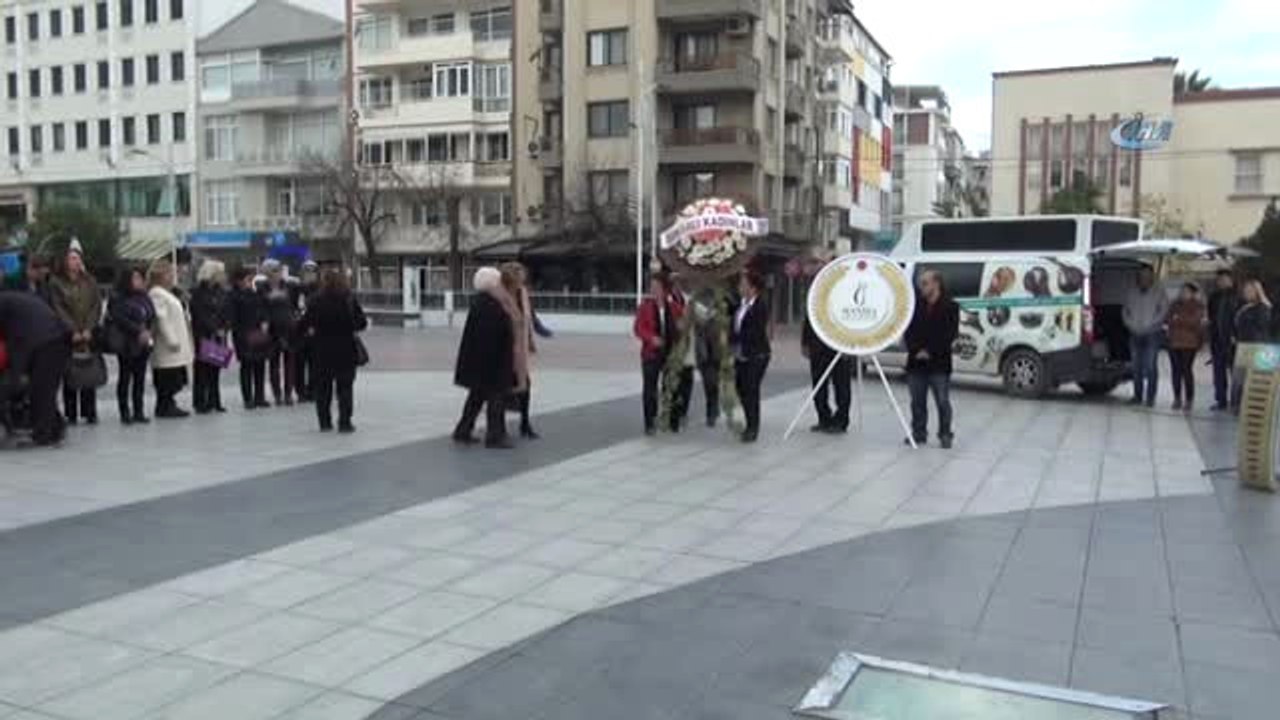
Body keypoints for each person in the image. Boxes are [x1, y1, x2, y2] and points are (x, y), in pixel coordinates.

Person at [453, 267, 522, 449]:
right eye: (498, 281)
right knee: (496, 397)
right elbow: (494, 333)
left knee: (476, 396)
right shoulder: (491, 304)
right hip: (492, 361)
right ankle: (495, 435)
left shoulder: (481, 302)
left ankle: (463, 430)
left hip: (480, 361)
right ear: (491, 284)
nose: (500, 285)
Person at [300, 269, 368, 433]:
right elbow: (362, 323)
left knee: (323, 389)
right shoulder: (349, 299)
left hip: (321, 350)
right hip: (346, 350)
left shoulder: (315, 300)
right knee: (345, 388)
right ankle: (344, 422)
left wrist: (298, 336)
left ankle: (324, 422)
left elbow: (304, 323)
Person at [0, 290, 71, 446]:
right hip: (55, 337)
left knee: (42, 390)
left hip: (47, 341)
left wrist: (15, 373)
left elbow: (16, 341)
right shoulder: (10, 299)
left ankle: (43, 435)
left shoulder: (5, 304)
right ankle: (55, 428)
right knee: (44, 388)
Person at [904, 269, 960, 448]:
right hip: (916, 361)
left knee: (942, 401)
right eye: (921, 283)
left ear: (936, 283)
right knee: (917, 401)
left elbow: (949, 334)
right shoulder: (915, 305)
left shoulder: (950, 306)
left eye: (925, 283)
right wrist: (916, 349)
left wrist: (930, 351)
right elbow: (908, 331)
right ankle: (919, 432)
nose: (922, 287)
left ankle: (945, 433)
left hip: (939, 362)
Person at [49, 243, 103, 425]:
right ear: (64, 262)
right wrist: (72, 330)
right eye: (72, 258)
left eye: (78, 258)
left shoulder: (90, 281)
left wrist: (89, 328)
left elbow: (96, 305)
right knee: (70, 373)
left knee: (88, 371)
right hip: (68, 335)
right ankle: (71, 412)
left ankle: (90, 411)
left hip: (88, 333)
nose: (76, 261)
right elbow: (58, 308)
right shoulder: (56, 283)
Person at [633, 272, 686, 435]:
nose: (653, 290)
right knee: (650, 389)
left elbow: (683, 324)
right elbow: (638, 328)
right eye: (652, 287)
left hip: (670, 353)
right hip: (651, 354)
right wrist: (651, 338)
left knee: (671, 387)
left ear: (665, 290)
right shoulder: (645, 306)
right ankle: (650, 422)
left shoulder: (674, 307)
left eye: (657, 287)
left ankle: (672, 420)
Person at [106, 268, 156, 425]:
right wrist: (138, 331)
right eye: (135, 278)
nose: (139, 281)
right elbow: (119, 317)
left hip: (143, 343)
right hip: (126, 342)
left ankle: (139, 410)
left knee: (140, 378)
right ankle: (124, 411)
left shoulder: (144, 297)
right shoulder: (117, 298)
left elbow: (152, 315)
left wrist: (148, 332)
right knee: (125, 377)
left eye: (140, 278)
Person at [500, 262, 542, 439]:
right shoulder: (500, 295)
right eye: (520, 274)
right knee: (502, 387)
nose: (523, 278)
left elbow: (527, 317)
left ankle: (525, 423)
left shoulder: (522, 293)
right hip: (504, 349)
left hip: (520, 348)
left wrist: (531, 338)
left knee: (525, 385)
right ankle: (498, 425)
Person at [148, 261, 194, 419]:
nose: (173, 277)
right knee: (167, 378)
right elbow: (162, 318)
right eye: (170, 274)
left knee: (175, 377)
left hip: (176, 345)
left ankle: (169, 403)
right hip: (167, 346)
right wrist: (171, 339)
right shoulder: (156, 293)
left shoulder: (168, 293)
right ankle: (165, 405)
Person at [732, 270, 770, 443]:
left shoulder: (760, 306)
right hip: (740, 354)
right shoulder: (740, 305)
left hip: (757, 354)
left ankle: (752, 428)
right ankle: (749, 420)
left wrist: (738, 342)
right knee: (741, 388)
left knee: (751, 390)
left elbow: (754, 332)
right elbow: (734, 327)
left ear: (753, 288)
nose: (740, 287)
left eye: (743, 284)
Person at [1122, 266, 1169, 408]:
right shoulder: (1132, 292)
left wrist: (1150, 325)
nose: (1144, 278)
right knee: (1136, 367)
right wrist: (1130, 325)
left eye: (1147, 275)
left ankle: (1150, 398)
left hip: (1152, 334)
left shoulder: (1159, 292)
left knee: (1150, 367)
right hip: (1134, 333)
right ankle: (1137, 396)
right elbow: (1125, 311)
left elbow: (1163, 311)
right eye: (1142, 275)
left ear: (1152, 276)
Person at [190, 260, 230, 414]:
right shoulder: (198, 292)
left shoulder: (221, 291)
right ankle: (201, 401)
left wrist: (225, 326)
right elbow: (199, 314)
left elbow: (226, 311)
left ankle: (215, 400)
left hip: (219, 335)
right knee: (202, 370)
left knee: (215, 368)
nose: (223, 276)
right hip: (204, 334)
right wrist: (213, 328)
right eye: (220, 273)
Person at [802, 316, 852, 434]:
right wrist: (805, 343)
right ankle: (824, 418)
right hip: (818, 347)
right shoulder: (816, 297)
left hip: (840, 346)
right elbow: (809, 318)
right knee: (818, 385)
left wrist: (849, 345)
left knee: (841, 385)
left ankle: (841, 421)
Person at [229, 266, 271, 410]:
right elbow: (233, 316)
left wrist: (264, 320)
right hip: (243, 333)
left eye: (251, 279)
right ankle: (248, 398)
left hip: (257, 331)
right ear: (239, 280)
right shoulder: (234, 295)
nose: (250, 281)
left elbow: (263, 308)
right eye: (247, 279)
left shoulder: (255, 293)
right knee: (247, 365)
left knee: (259, 364)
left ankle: (260, 396)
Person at [260, 260, 300, 406]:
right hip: (272, 330)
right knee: (274, 363)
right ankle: (277, 394)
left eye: (278, 270)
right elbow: (261, 306)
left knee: (289, 363)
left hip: (289, 329)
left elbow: (295, 305)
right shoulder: (262, 288)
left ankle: (289, 393)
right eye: (273, 271)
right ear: (267, 273)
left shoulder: (289, 286)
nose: (276, 274)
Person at [1231, 279, 1273, 411]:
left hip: (1257, 348)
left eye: (1250, 290)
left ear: (1257, 291)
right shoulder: (1244, 308)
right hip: (1243, 346)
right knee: (1239, 380)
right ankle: (1238, 405)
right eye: (1245, 290)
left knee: (1254, 381)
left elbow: (1263, 329)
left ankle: (1251, 407)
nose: (1246, 293)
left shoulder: (1263, 308)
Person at [1166, 283, 1206, 412]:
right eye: (1182, 291)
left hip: (1189, 343)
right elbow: (1168, 319)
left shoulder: (1198, 305)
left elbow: (1195, 322)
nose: (1183, 293)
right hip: (1174, 341)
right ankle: (1177, 398)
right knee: (1175, 371)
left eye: (1186, 291)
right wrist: (1178, 320)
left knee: (1186, 371)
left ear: (1193, 293)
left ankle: (1189, 399)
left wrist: (1178, 319)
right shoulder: (1174, 304)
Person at [691, 289, 725, 428]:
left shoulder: (720, 315)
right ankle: (711, 410)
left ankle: (713, 408)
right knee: (708, 382)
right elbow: (696, 332)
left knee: (713, 382)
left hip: (716, 353)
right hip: (704, 353)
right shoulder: (698, 314)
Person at [1207, 271, 1238, 411]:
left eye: (1224, 279)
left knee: (1236, 374)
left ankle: (1236, 402)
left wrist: (1235, 335)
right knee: (1218, 373)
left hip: (1233, 341)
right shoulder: (1214, 297)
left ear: (1231, 280)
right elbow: (1211, 318)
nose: (1221, 282)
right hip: (1217, 340)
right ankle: (1221, 400)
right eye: (1219, 279)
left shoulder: (1237, 297)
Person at [293, 260, 320, 403]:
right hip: (300, 332)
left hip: (315, 332)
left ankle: (313, 390)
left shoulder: (320, 290)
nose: (310, 275)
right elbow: (293, 308)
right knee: (299, 364)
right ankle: (300, 391)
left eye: (312, 272)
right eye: (307, 272)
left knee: (315, 364)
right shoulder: (297, 289)